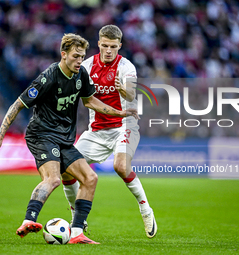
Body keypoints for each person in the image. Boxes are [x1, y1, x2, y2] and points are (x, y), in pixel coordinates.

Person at [0, 33, 139, 244]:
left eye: (82, 56)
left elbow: (91, 101)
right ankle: (28, 220)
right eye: (75, 56)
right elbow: (18, 104)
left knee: (90, 178)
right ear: (64, 54)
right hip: (41, 135)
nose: (79, 61)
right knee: (53, 179)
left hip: (65, 139)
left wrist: (120, 113)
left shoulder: (81, 75)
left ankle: (76, 232)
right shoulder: (48, 77)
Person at [61, 25, 157, 238]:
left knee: (120, 166)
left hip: (124, 126)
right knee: (66, 168)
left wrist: (124, 90)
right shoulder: (85, 65)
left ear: (119, 46)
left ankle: (145, 209)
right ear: (99, 44)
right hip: (96, 131)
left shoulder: (126, 67)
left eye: (113, 46)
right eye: (104, 46)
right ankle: (77, 216)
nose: (108, 50)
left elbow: (131, 92)